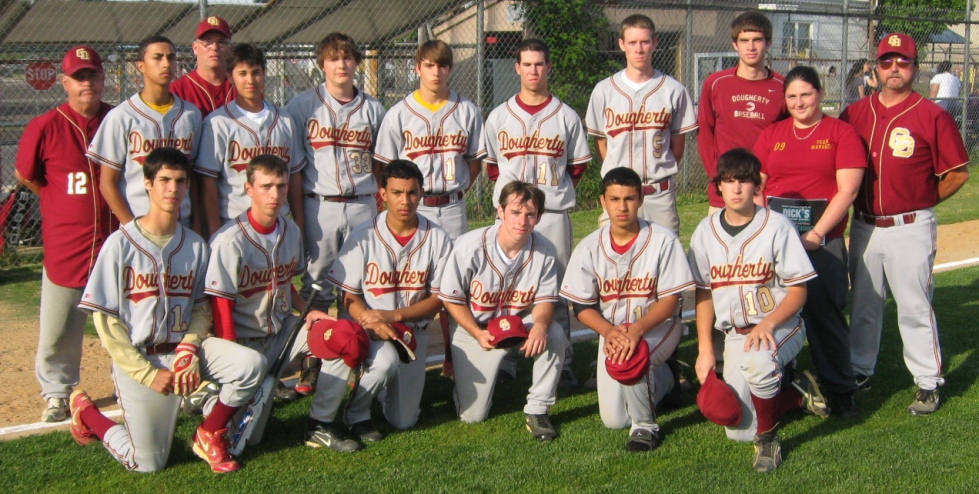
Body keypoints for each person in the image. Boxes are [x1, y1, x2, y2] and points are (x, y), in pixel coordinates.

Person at [69, 148, 264, 473]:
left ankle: (209, 433)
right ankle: (87, 414)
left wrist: (189, 347)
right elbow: (106, 322)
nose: (173, 188)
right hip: (142, 360)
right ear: (147, 183)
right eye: (164, 180)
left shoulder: (195, 245)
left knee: (250, 364)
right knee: (148, 463)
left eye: (180, 181)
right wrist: (147, 374)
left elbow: (201, 308)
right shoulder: (120, 244)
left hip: (184, 353)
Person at [840, 33, 970, 415]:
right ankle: (860, 370)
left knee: (914, 307)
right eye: (887, 61)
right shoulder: (854, 113)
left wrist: (923, 199)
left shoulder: (932, 114)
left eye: (903, 61)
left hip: (910, 226)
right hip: (864, 225)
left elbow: (958, 173)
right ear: (876, 67)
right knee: (864, 304)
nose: (894, 68)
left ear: (915, 67)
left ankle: (928, 382)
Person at [689, 148, 827, 473]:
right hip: (735, 335)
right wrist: (705, 349)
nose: (736, 188)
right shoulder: (705, 232)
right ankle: (796, 394)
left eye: (744, 181)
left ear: (756, 185)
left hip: (781, 325)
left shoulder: (777, 226)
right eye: (729, 181)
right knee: (737, 428)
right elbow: (704, 293)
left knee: (759, 362)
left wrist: (770, 323)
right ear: (718, 186)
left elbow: (798, 290)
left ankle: (768, 439)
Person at [306, 159, 452, 452]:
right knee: (384, 361)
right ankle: (357, 413)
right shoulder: (363, 234)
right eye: (397, 192)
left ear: (421, 193)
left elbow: (439, 299)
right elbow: (348, 296)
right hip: (371, 331)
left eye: (412, 192)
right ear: (382, 194)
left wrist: (394, 315)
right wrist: (371, 321)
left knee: (403, 420)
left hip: (413, 331)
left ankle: (382, 389)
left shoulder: (437, 237)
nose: (405, 201)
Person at [753, 66, 868, 418]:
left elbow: (848, 190)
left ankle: (840, 389)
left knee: (824, 316)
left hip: (821, 241)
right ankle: (784, 387)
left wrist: (816, 234)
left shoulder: (840, 133)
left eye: (806, 94)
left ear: (820, 93)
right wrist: (767, 231)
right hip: (777, 242)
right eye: (792, 96)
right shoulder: (773, 134)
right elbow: (757, 186)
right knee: (775, 313)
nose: (799, 102)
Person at [479, 38, 591, 389]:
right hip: (509, 215)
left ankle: (563, 361)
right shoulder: (499, 115)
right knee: (506, 286)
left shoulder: (566, 115)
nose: (533, 70)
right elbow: (493, 169)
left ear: (549, 67)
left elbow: (576, 168)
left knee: (555, 287)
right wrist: (514, 204)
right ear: (517, 68)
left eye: (539, 64)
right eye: (526, 64)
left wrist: (549, 197)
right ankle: (508, 356)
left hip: (553, 212)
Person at [15, 46, 117, 422]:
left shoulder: (118, 119)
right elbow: (25, 174)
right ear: (65, 83)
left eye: (92, 75)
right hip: (66, 243)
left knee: (123, 322)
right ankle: (57, 392)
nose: (87, 83)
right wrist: (56, 200)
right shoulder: (45, 126)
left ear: (103, 79)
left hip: (113, 242)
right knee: (58, 327)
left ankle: (127, 382)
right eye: (79, 77)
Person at [559, 167, 693, 452]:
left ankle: (645, 427)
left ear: (641, 199)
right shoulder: (589, 247)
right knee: (615, 419)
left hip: (658, 326)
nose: (622, 207)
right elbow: (582, 306)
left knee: (634, 357)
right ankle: (666, 380)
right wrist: (609, 332)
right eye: (615, 199)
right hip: (613, 332)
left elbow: (670, 301)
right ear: (603, 202)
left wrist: (637, 331)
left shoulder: (663, 240)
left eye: (629, 198)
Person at [203, 154, 332, 447]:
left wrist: (308, 312)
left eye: (281, 186)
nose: (275, 194)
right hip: (245, 342)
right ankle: (211, 400)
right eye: (266, 186)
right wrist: (233, 355)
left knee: (337, 338)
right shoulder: (229, 240)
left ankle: (321, 423)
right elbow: (220, 304)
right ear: (249, 189)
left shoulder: (290, 230)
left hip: (283, 331)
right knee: (248, 440)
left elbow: (288, 286)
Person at [286, 32, 387, 396]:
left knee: (357, 285)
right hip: (320, 204)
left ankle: (353, 357)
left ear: (356, 62)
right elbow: (295, 169)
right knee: (316, 286)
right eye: (333, 58)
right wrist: (299, 217)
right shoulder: (301, 107)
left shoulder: (374, 109)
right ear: (322, 64)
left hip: (362, 202)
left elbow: (381, 163)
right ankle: (311, 361)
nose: (341, 64)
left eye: (346, 57)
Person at [440, 181, 568, 440]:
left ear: (538, 217)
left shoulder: (545, 249)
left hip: (519, 323)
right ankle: (463, 384)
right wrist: (476, 332)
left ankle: (538, 409)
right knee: (473, 416)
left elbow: (545, 301)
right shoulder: (469, 246)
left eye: (530, 214)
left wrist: (540, 326)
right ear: (500, 211)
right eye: (515, 212)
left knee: (554, 333)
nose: (522, 221)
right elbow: (451, 300)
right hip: (476, 328)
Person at [585, 14, 697, 234]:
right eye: (632, 42)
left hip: (659, 194)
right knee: (614, 253)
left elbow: (678, 145)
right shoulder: (604, 90)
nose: (639, 49)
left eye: (644, 42)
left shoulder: (673, 90)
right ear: (621, 44)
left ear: (655, 42)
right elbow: (601, 144)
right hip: (618, 194)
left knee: (665, 252)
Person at [374, 39, 485, 241]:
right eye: (429, 65)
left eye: (442, 65)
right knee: (412, 259)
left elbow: (475, 163)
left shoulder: (467, 110)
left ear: (450, 69)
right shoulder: (399, 113)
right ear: (417, 68)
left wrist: (456, 192)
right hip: (414, 206)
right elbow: (384, 166)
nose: (436, 72)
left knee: (453, 260)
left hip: (453, 207)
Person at [88, 35, 202, 230]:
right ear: (141, 65)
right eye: (157, 57)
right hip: (139, 223)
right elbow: (107, 183)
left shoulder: (191, 114)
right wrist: (132, 229)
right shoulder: (122, 116)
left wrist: (197, 223)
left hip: (182, 225)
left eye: (171, 57)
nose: (166, 64)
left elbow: (193, 176)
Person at [196, 43, 306, 233]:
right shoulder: (217, 123)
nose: (250, 80)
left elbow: (295, 176)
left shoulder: (285, 120)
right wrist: (214, 230)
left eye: (256, 72)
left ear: (264, 73)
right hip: (233, 222)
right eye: (242, 73)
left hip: (278, 222)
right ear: (229, 77)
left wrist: (299, 223)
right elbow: (209, 183)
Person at [698, 11, 787, 215]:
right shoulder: (716, 83)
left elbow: (787, 138)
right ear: (735, 44)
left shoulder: (782, 86)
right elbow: (705, 133)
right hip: (726, 188)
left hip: (766, 190)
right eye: (744, 40)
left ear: (768, 43)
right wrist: (718, 176)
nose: (751, 47)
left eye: (757, 40)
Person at [170, 15, 235, 119]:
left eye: (221, 42)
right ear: (195, 48)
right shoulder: (178, 89)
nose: (214, 47)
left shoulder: (241, 87)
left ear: (231, 48)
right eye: (207, 42)